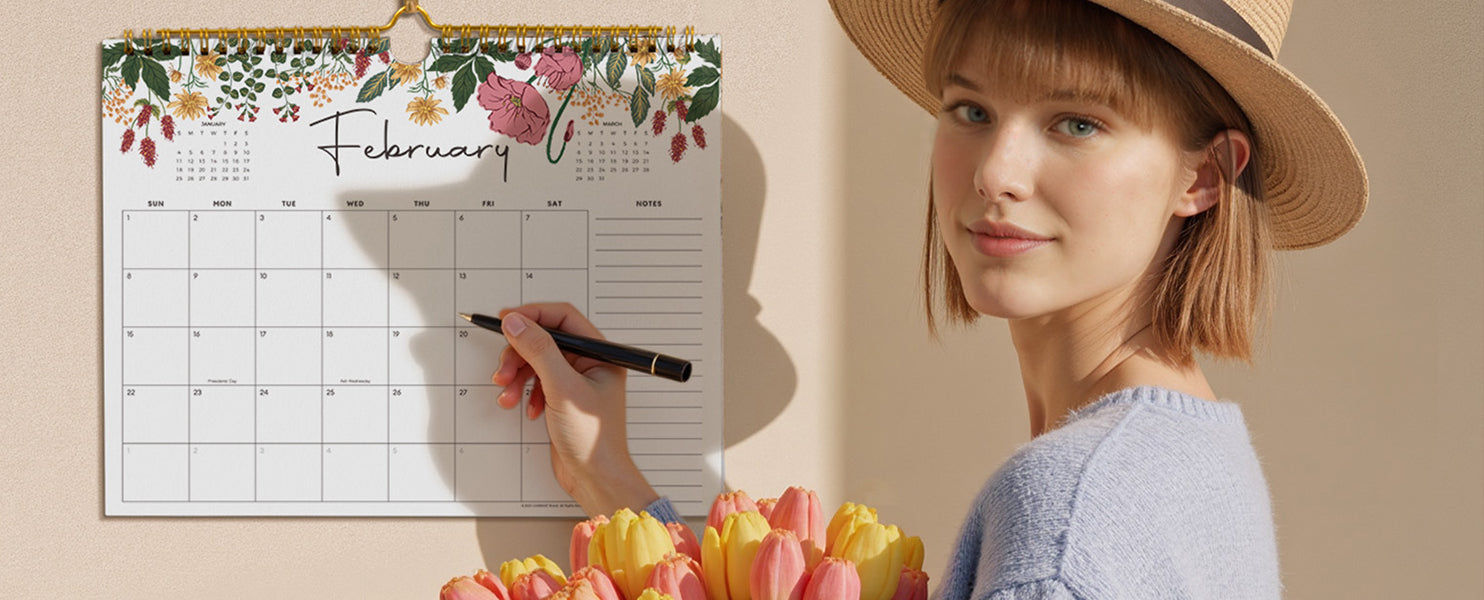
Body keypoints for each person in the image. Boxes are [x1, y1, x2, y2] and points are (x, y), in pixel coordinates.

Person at [488, 0, 1366, 597]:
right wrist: (610, 478)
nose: (994, 173)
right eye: (971, 110)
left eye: (1077, 123)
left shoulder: (1065, 510)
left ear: (1203, 176)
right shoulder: (1191, 463)